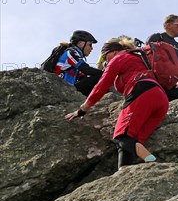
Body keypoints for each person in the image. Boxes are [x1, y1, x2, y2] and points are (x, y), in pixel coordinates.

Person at [64, 37, 169, 170]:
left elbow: (101, 85)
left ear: (112, 52)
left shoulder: (119, 57)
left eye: (105, 57)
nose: (105, 61)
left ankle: (155, 164)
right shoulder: (138, 57)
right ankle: (123, 172)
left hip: (142, 93)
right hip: (161, 99)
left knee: (121, 137)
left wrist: (82, 109)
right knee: (132, 142)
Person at [146, 14, 178, 101]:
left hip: (170, 83)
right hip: (153, 78)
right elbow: (146, 56)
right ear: (168, 25)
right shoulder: (156, 37)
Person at [54, 30, 103, 96]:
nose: (92, 48)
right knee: (100, 76)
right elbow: (85, 69)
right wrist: (106, 73)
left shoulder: (74, 54)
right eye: (90, 45)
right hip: (62, 89)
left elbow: (84, 75)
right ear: (81, 43)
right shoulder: (71, 52)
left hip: (67, 88)